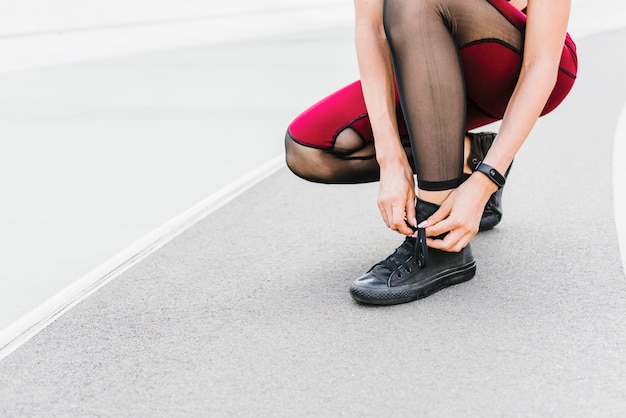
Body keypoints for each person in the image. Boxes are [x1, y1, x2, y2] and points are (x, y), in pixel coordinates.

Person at [284, 0, 578, 305]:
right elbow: (371, 29)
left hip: (516, 64)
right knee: (309, 150)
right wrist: (390, 158)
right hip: (426, 63)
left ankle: (438, 242)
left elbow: (540, 62)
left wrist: (487, 179)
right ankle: (471, 155)